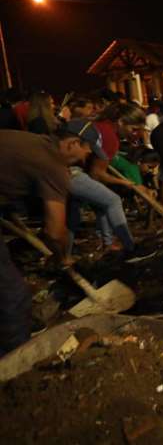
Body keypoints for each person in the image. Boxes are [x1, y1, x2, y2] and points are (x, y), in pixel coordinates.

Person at [0, 125, 96, 355]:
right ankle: (17, 364)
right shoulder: (54, 166)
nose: (85, 160)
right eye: (86, 152)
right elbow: (54, 231)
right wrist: (62, 256)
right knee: (13, 294)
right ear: (72, 143)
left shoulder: (29, 141)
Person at [66, 110, 156, 263]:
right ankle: (130, 249)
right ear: (121, 122)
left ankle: (65, 257)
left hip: (61, 168)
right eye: (133, 129)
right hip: (69, 172)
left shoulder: (99, 126)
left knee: (75, 216)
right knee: (113, 200)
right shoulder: (109, 137)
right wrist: (124, 183)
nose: (134, 135)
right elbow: (97, 174)